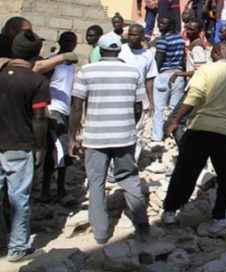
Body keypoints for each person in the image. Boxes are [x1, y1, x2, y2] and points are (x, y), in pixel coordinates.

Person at [161, 42, 226, 231]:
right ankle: (219, 216)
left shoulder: (206, 70)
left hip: (198, 130)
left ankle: (170, 211)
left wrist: (176, 120)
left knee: (185, 171)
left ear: (216, 53)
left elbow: (194, 96)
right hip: (225, 133)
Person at [68, 33, 149, 244]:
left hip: (95, 137)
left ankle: (101, 234)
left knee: (96, 183)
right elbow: (139, 107)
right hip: (124, 136)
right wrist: (129, 125)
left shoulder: (87, 71)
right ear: (118, 50)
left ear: (100, 51)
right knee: (129, 178)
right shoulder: (132, 72)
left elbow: (77, 107)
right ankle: (142, 223)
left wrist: (72, 136)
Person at [0, 30, 49, 262]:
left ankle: (2, 241)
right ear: (36, 54)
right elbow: (39, 119)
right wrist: (41, 148)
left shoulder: (1, 73)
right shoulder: (37, 81)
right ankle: (18, 246)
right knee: (19, 197)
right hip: (20, 144)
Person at [41, 32, 78, 206]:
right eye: (67, 41)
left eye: (73, 41)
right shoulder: (52, 60)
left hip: (64, 110)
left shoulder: (70, 65)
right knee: (61, 150)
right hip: (53, 111)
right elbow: (43, 84)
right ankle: (61, 191)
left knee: (52, 152)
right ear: (60, 42)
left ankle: (45, 190)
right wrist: (45, 109)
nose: (70, 44)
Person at [119, 24, 158, 157]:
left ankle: (132, 162)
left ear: (142, 36)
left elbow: (149, 80)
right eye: (130, 34)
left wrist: (151, 102)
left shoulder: (147, 56)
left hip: (140, 98)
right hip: (121, 96)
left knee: (138, 131)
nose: (132, 38)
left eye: (135, 35)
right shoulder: (120, 50)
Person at [152, 17, 185, 142]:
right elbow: (182, 57)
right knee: (174, 107)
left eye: (163, 23)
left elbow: (158, 59)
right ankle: (175, 134)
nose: (160, 25)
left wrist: (153, 74)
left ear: (170, 26)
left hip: (164, 74)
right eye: (159, 23)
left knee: (158, 107)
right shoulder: (180, 39)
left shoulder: (163, 40)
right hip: (178, 75)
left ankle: (157, 136)